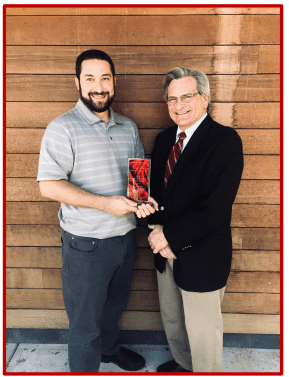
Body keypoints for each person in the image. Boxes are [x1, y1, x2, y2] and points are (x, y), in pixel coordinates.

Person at [37, 49, 158, 372]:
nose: (98, 86)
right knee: (84, 324)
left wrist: (144, 200)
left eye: (105, 78)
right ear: (77, 82)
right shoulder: (62, 128)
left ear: (114, 82)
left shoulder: (128, 127)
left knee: (113, 308)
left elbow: (137, 180)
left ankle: (109, 350)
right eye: (90, 78)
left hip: (124, 240)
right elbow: (48, 186)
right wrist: (105, 203)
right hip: (85, 246)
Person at [148, 67, 243, 372]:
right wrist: (153, 225)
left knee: (203, 334)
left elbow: (215, 207)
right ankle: (183, 365)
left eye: (186, 96)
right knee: (173, 321)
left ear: (204, 99)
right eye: (172, 99)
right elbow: (155, 194)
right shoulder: (164, 140)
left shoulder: (224, 141)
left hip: (202, 253)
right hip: (164, 252)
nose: (179, 105)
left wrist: (169, 237)